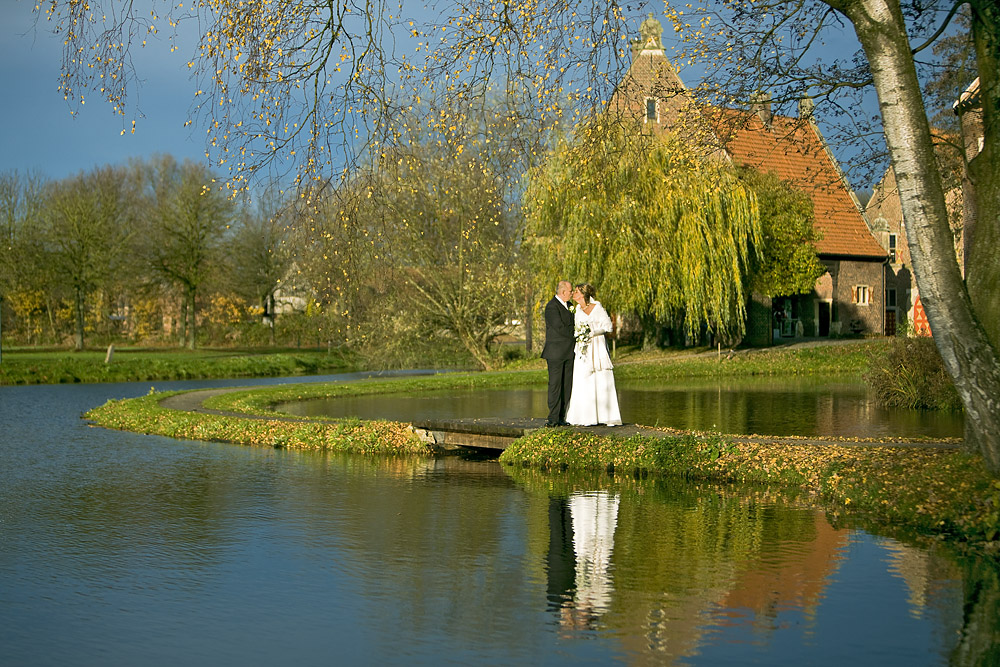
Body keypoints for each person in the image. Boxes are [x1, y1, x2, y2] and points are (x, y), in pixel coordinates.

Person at [564, 283, 622, 426]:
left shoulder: (597, 307)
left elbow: (608, 326)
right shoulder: (577, 310)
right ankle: (586, 418)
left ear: (584, 294)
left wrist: (593, 332)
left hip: (597, 346)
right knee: (584, 381)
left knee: (602, 379)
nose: (574, 295)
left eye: (576, 292)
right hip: (584, 348)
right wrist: (580, 335)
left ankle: (608, 417)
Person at [541, 280, 575, 426]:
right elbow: (559, 328)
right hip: (555, 353)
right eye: (570, 291)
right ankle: (553, 419)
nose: (572, 293)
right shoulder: (551, 307)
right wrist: (578, 333)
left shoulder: (570, 306)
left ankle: (562, 417)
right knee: (555, 385)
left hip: (569, 352)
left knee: (567, 385)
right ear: (563, 292)